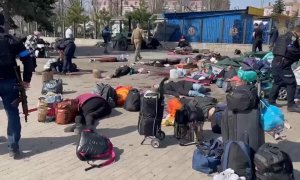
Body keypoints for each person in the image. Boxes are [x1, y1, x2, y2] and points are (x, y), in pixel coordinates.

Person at [0, 14, 33, 158]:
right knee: (12, 113)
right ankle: (13, 147)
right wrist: (26, 79)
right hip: (10, 82)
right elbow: (27, 59)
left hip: (10, 81)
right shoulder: (13, 41)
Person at [269, 25, 300, 112]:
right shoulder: (291, 38)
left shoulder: (284, 36)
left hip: (277, 63)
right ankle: (291, 105)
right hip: (283, 64)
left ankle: (271, 101)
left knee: (277, 82)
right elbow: (291, 50)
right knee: (291, 83)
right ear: (298, 32)